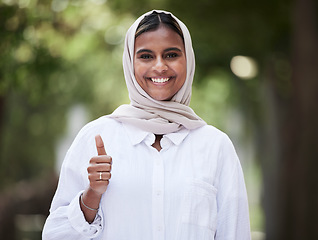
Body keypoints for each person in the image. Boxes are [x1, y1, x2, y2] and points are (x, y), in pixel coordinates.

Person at [42, 10, 251, 240]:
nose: (160, 66)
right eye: (146, 56)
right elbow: (55, 235)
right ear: (130, 63)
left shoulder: (215, 147)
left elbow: (235, 233)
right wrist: (91, 196)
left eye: (171, 55)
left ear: (188, 59)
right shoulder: (96, 137)